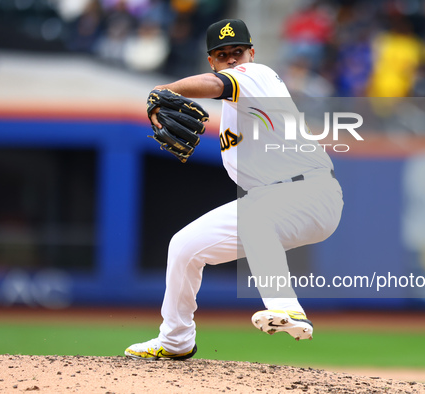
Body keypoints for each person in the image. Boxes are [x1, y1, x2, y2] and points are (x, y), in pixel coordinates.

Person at [125, 19, 344, 360]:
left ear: (252, 53)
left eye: (238, 52)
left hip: (311, 193)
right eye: (222, 54)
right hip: (270, 200)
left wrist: (164, 90)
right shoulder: (232, 113)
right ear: (211, 59)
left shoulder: (259, 76)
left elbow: (216, 84)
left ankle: (288, 309)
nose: (231, 59)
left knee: (254, 214)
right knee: (184, 247)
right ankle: (176, 340)